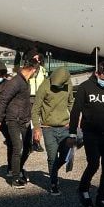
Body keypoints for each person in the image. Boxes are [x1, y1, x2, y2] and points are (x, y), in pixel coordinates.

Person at [70, 60, 104, 207]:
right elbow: (75, 111)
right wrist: (72, 133)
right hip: (91, 133)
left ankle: (102, 196)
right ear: (97, 73)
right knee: (93, 163)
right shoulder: (85, 87)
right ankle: (83, 189)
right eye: (103, 78)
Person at [33, 66, 75, 194]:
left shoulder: (68, 85)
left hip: (65, 127)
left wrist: (75, 119)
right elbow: (36, 109)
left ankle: (53, 172)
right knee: (52, 157)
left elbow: (71, 102)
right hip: (48, 128)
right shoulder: (44, 86)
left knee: (64, 156)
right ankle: (53, 183)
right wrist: (36, 127)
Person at [0, 59, 37, 187]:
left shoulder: (25, 81)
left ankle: (18, 169)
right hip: (13, 119)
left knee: (28, 147)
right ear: (33, 70)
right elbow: (3, 101)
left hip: (25, 119)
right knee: (17, 148)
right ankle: (15, 178)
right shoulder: (15, 82)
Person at [26, 50, 48, 152]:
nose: (37, 59)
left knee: (38, 121)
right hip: (29, 97)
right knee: (28, 121)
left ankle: (37, 142)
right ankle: (28, 143)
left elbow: (46, 82)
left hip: (40, 97)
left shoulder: (43, 70)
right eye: (35, 58)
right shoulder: (27, 69)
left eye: (38, 58)